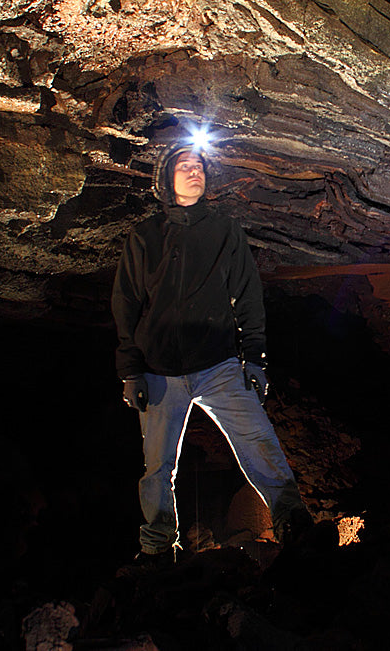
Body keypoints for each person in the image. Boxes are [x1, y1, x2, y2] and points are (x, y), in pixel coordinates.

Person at [111, 135, 311, 564]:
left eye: (199, 166)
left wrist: (254, 358)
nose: (194, 170)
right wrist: (130, 371)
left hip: (219, 363)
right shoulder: (145, 236)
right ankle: (159, 549)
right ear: (166, 178)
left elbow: (248, 294)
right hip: (160, 368)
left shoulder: (224, 231)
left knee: (258, 440)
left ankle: (291, 520)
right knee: (158, 466)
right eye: (184, 165)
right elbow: (125, 303)